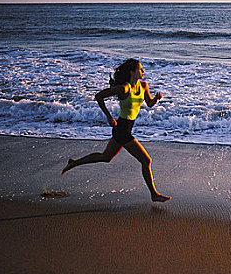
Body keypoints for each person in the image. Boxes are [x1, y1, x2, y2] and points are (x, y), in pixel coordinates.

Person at [61, 58, 171, 202]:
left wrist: (156, 99)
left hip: (127, 128)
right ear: (132, 72)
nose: (143, 71)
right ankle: (154, 194)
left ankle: (73, 163)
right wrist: (109, 117)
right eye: (140, 69)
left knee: (105, 157)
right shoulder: (124, 88)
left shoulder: (144, 86)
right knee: (146, 160)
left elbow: (149, 104)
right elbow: (99, 96)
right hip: (121, 129)